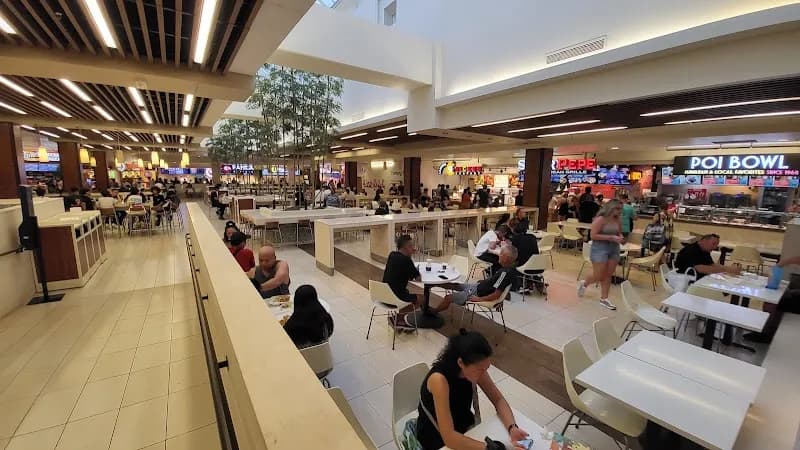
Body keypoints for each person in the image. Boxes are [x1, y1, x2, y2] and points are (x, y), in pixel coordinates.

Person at [415, 329, 529, 450]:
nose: (484, 373)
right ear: (460, 362)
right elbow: (449, 438)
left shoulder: (476, 369)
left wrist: (512, 427)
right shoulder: (439, 380)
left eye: (486, 368)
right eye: (480, 369)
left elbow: (498, 400)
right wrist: (489, 448)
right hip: (436, 437)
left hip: (463, 426)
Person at [577, 199, 625, 311]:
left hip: (614, 248)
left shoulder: (618, 220)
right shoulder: (600, 219)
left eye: (620, 209)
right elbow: (593, 235)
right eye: (617, 209)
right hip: (599, 249)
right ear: (610, 208)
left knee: (608, 274)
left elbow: (619, 232)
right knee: (599, 275)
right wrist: (611, 237)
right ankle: (585, 283)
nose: (619, 212)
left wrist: (621, 238)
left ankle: (604, 298)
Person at [439, 245, 519, 311]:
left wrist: (479, 299)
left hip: (477, 292)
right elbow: (502, 288)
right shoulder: (510, 270)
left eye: (501, 253)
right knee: (455, 285)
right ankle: (431, 285)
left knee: (448, 298)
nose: (499, 255)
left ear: (506, 258)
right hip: (477, 286)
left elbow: (496, 294)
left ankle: (432, 313)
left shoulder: (504, 273)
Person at [382, 235, 427, 326]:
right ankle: (397, 318)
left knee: (408, 292)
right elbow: (419, 279)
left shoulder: (392, 255)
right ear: (407, 247)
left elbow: (404, 272)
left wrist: (409, 255)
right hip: (395, 296)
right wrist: (410, 258)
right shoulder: (406, 260)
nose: (413, 248)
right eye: (412, 246)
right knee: (422, 298)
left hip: (383, 293)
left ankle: (401, 317)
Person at [674, 234, 740, 279]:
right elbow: (701, 269)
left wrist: (729, 269)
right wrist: (727, 270)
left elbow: (711, 264)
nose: (715, 247)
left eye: (716, 245)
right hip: (685, 278)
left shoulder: (705, 250)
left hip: (698, 277)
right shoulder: (691, 250)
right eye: (713, 244)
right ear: (703, 241)